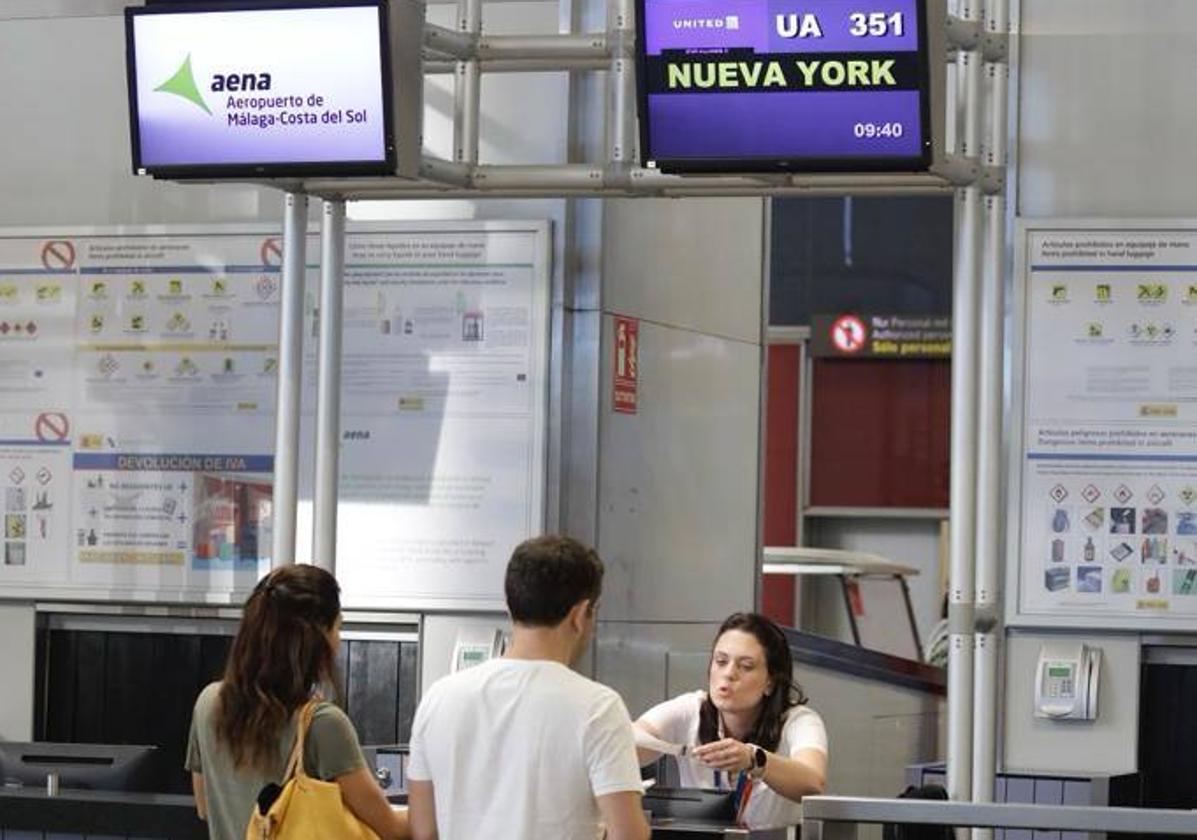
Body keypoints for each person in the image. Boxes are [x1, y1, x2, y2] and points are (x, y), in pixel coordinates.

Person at [407, 535, 650, 840]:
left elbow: (423, 830)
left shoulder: (438, 699)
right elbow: (629, 835)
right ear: (580, 614)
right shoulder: (598, 707)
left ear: (510, 607)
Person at [186, 565, 409, 840]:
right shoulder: (322, 723)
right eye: (338, 627)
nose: (338, 640)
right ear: (316, 638)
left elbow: (204, 807)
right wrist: (438, 806)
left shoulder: (209, 703)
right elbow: (392, 828)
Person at [634, 612, 828, 831]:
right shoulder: (690, 709)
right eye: (721, 661)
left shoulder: (799, 720)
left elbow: (812, 783)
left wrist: (753, 759)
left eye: (745, 666)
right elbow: (631, 741)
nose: (728, 674)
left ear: (770, 683)